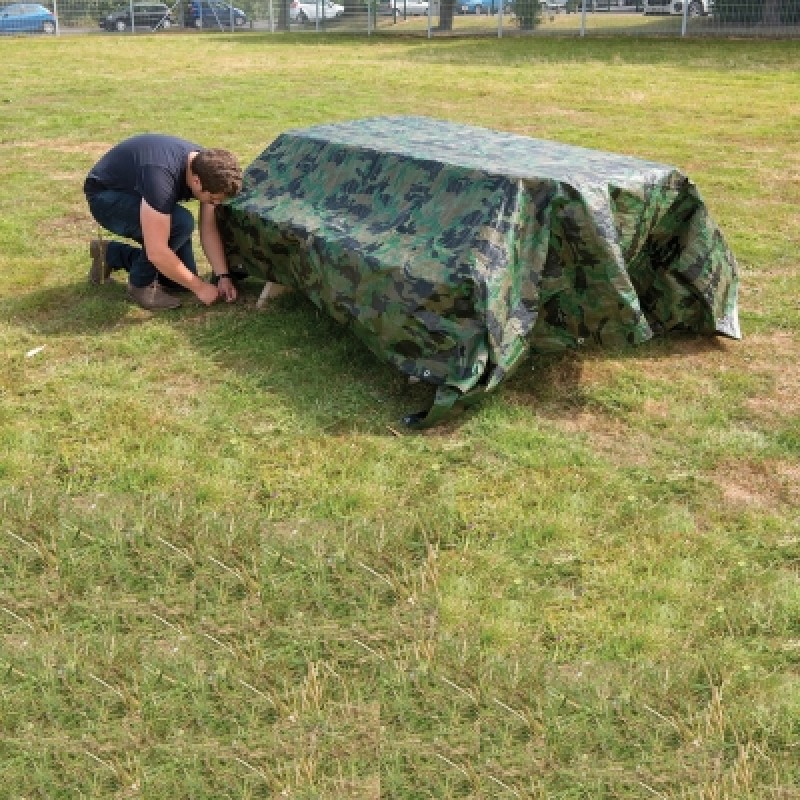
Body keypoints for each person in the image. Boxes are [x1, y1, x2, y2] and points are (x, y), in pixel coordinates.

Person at [84, 134, 243, 310]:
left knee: (180, 280)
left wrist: (223, 276)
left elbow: (208, 229)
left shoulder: (208, 169)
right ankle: (140, 286)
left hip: (140, 195)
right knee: (180, 223)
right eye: (212, 199)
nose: (215, 204)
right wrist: (200, 288)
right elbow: (156, 251)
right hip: (105, 198)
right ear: (197, 181)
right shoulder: (160, 177)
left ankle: (110, 254)